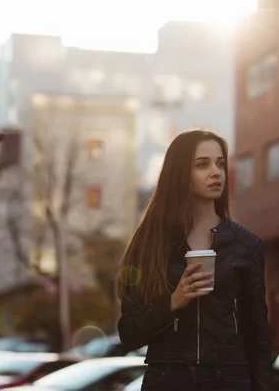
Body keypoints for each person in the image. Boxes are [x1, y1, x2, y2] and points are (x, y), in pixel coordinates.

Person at [116, 130, 271, 391]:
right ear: (180, 174)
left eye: (220, 163)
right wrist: (173, 303)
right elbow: (129, 333)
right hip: (167, 379)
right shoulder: (149, 245)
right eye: (202, 164)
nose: (216, 172)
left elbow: (259, 336)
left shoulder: (246, 246)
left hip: (228, 380)